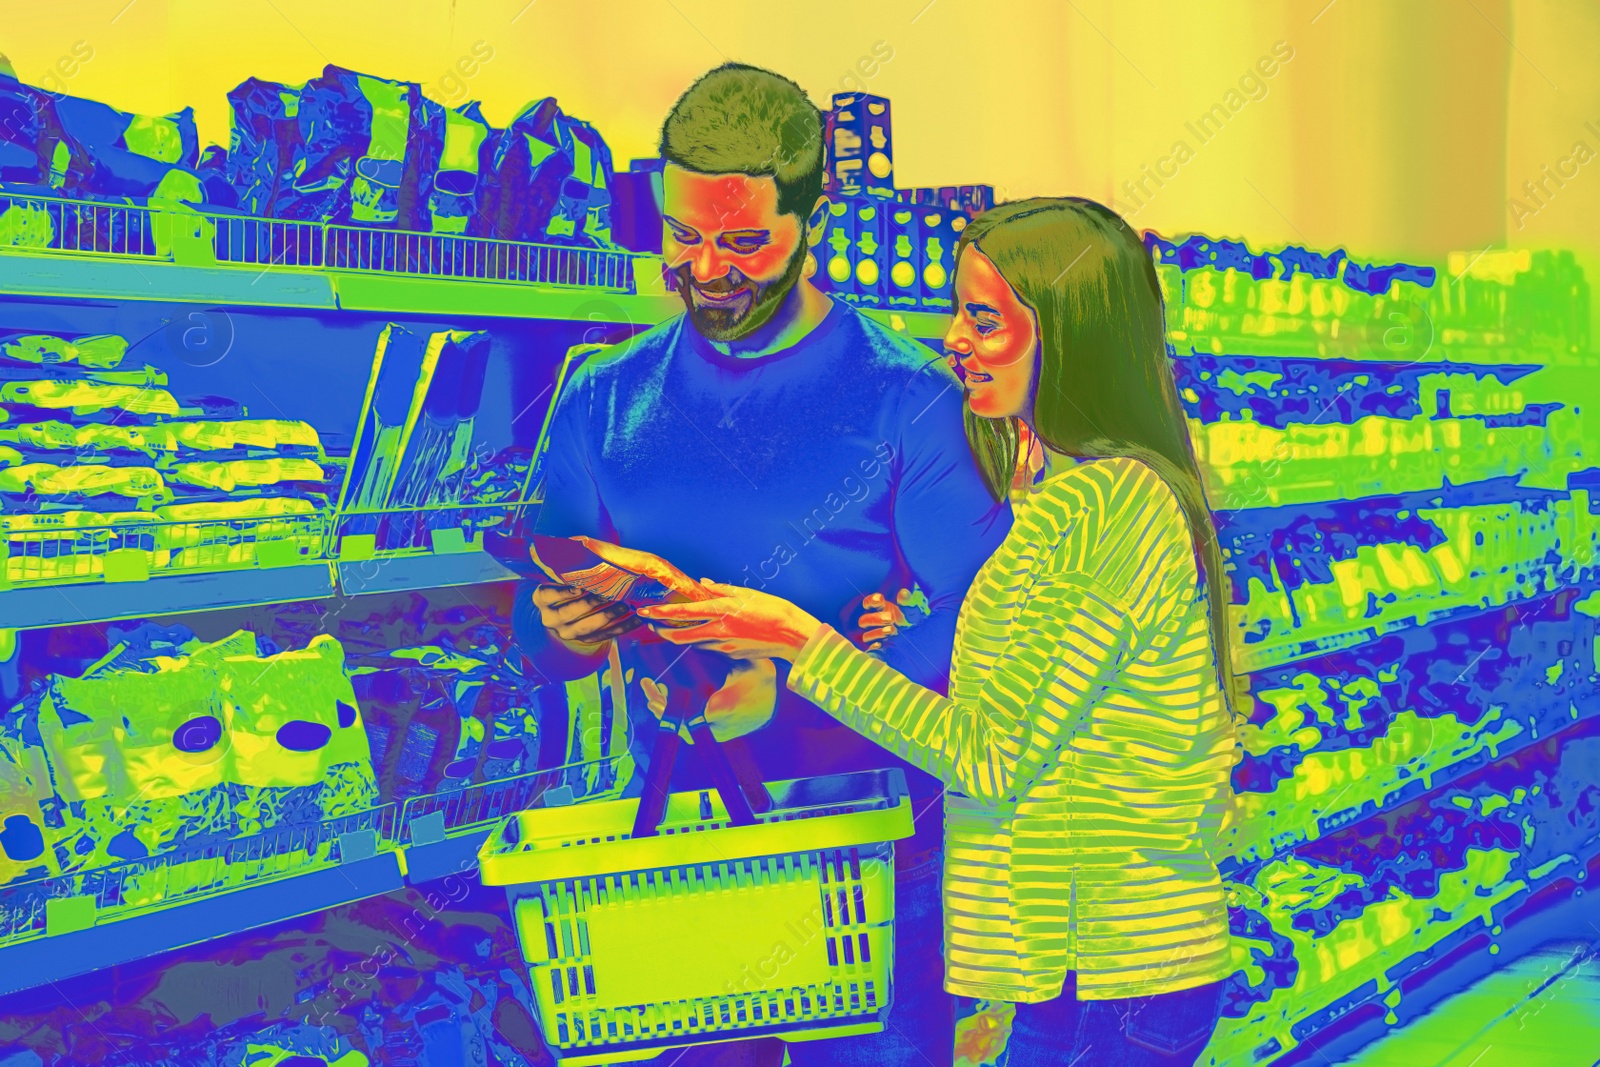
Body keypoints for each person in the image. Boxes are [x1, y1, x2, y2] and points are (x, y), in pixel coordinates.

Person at [614, 197, 1243, 1065]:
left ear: (1069, 338)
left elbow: (992, 756)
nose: (953, 337)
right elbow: (1042, 704)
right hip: (1080, 970)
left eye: (983, 320)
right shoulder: (1061, 497)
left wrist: (799, 640)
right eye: (958, 311)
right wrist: (904, 636)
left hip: (1116, 969)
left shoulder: (1110, 505)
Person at [513, 63, 1010, 1067]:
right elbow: (533, 628)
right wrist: (558, 629)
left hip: (867, 861)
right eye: (683, 235)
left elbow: (988, 628)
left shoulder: (907, 396)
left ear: (812, 219)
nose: (707, 267)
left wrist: (785, 683)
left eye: (744, 240)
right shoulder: (602, 397)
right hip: (670, 853)